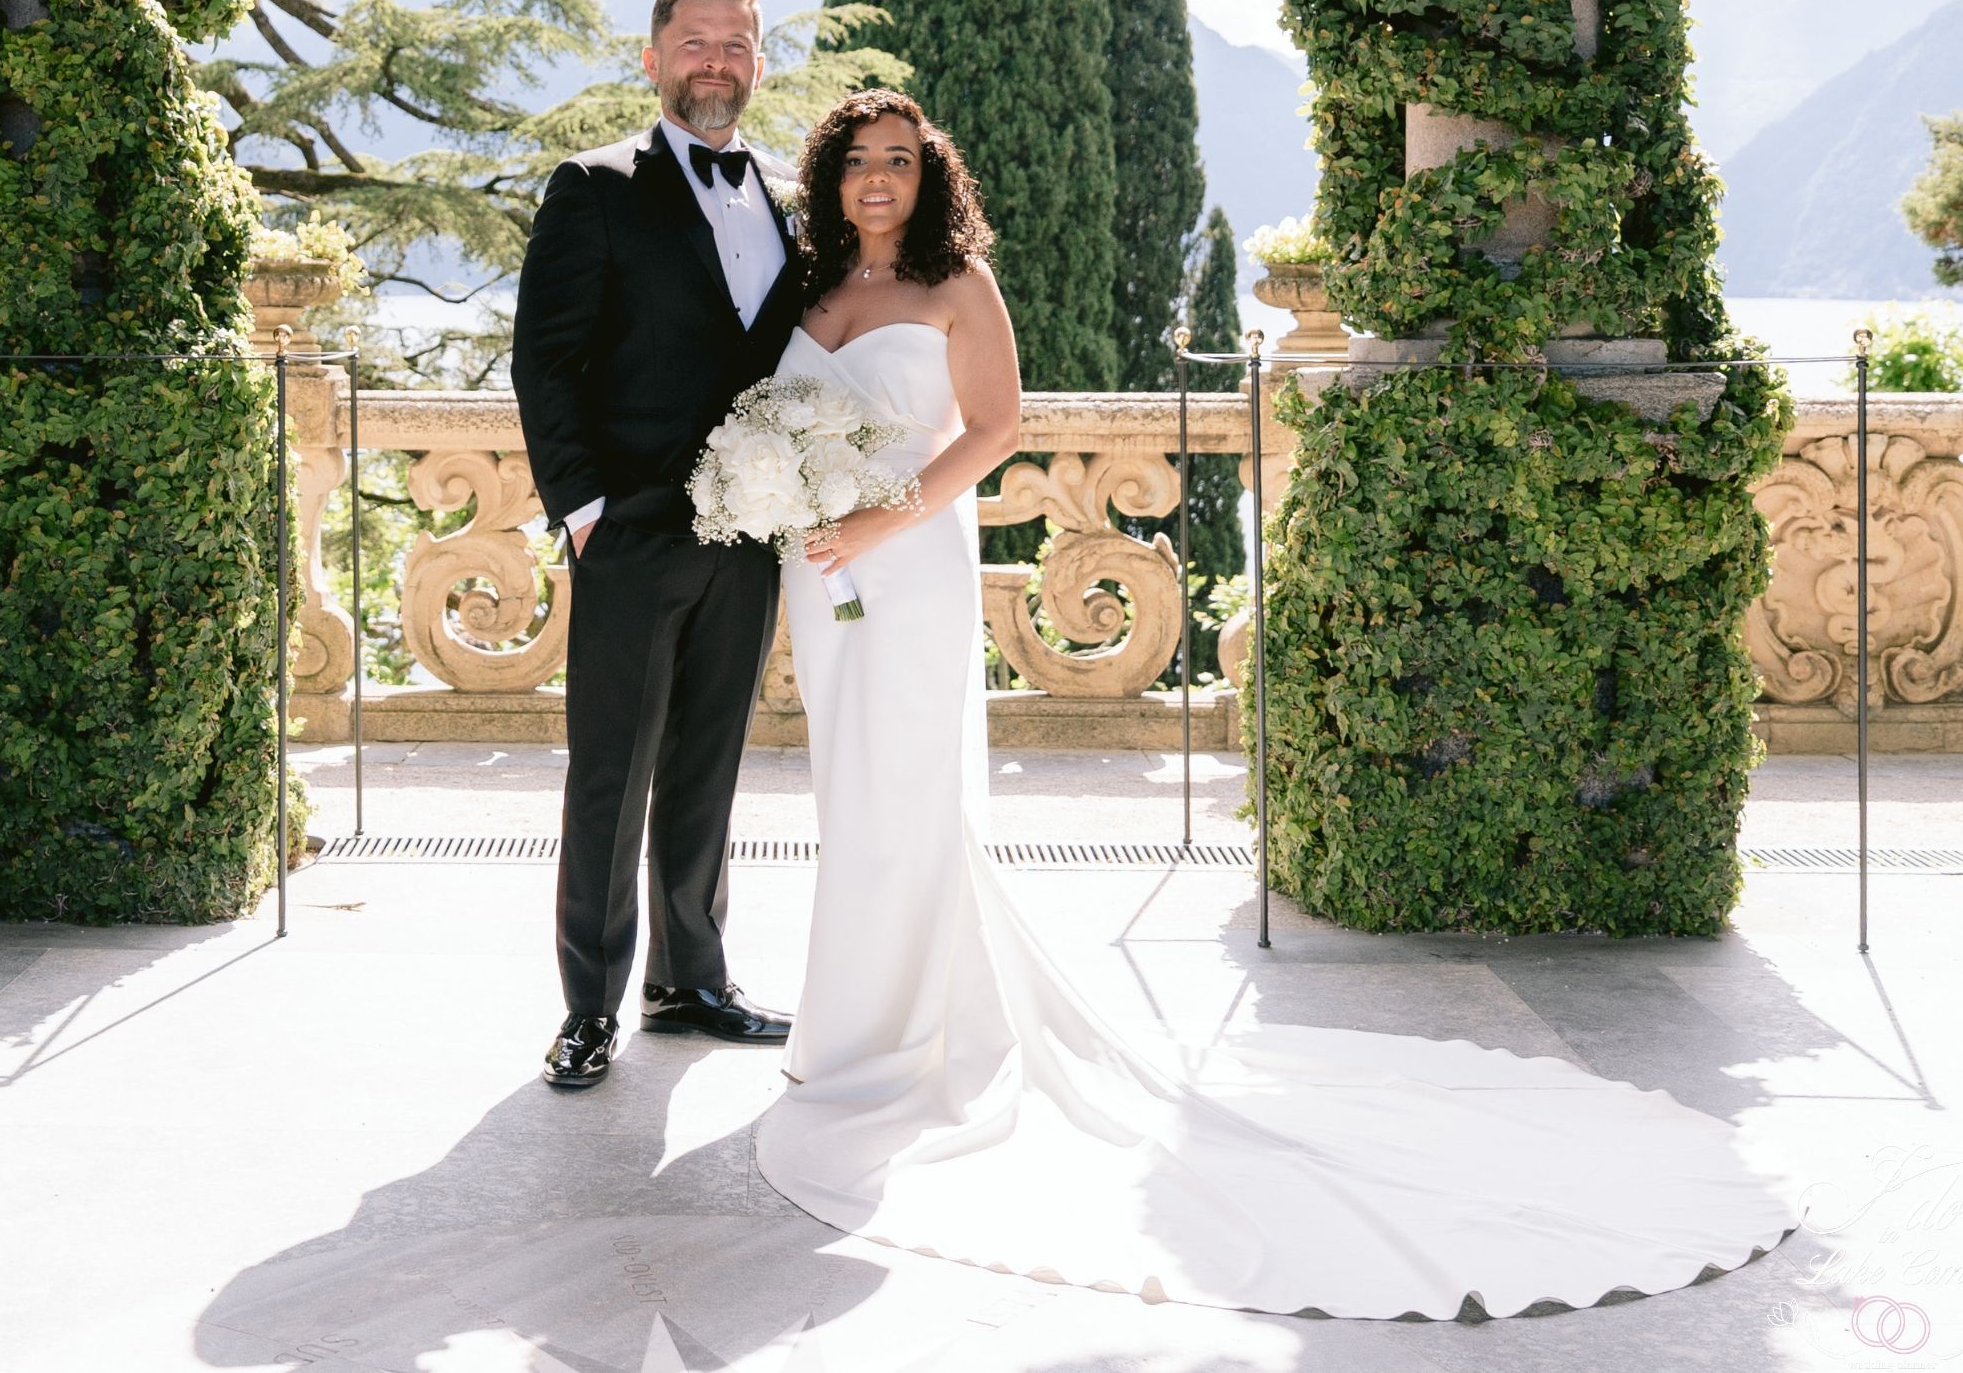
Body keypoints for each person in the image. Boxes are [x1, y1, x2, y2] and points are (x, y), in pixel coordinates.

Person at [749, 89, 1803, 1318]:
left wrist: (882, 515)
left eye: (898, 161)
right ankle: (850, 1026)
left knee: (907, 794)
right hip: (821, 577)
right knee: (850, 795)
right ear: (827, 178)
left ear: (928, 177)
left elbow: (994, 430)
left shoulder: (957, 284)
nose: (877, 180)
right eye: (857, 162)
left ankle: (902, 1041)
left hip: (906, 562)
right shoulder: (809, 289)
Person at [512, 0, 803, 1089]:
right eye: (694, 42)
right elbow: (546, 360)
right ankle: (588, 1007)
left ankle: (691, 980)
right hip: (629, 535)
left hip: (748, 542)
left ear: (758, 64)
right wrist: (583, 513)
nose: (714, 62)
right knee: (609, 775)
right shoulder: (592, 187)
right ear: (653, 57)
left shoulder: (785, 198)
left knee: (706, 767)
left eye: (735, 44)